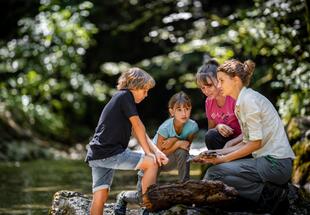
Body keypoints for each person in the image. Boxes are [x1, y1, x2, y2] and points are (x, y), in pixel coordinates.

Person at [202, 59, 295, 213]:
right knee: (216, 172)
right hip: (269, 162)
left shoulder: (249, 101)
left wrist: (224, 159)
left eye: (221, 81)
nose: (219, 86)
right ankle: (263, 195)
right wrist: (214, 154)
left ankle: (269, 196)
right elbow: (246, 141)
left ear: (236, 80)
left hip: (275, 164)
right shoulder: (244, 100)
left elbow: (255, 144)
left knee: (214, 173)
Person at [85, 67, 168, 215]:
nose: (146, 95)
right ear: (134, 86)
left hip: (97, 154)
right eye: (145, 90)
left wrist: (156, 151)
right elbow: (138, 125)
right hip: (111, 152)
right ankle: (148, 208)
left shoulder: (121, 99)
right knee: (152, 163)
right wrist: (150, 155)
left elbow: (137, 131)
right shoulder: (125, 96)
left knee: (100, 196)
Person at [115, 91, 199, 215]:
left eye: (187, 109)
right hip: (154, 161)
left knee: (182, 153)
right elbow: (158, 154)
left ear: (190, 109)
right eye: (179, 109)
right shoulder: (165, 128)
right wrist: (176, 143)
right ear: (172, 112)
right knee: (143, 198)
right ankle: (123, 196)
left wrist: (175, 141)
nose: (184, 113)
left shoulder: (193, 127)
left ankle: (184, 189)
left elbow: (185, 148)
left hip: (171, 160)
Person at [196, 58, 242, 150]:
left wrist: (230, 144)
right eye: (202, 88)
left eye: (209, 85)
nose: (206, 91)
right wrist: (218, 126)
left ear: (220, 81)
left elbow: (250, 132)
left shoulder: (234, 98)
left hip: (242, 142)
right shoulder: (209, 102)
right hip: (225, 144)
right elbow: (211, 130)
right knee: (210, 135)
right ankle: (218, 160)